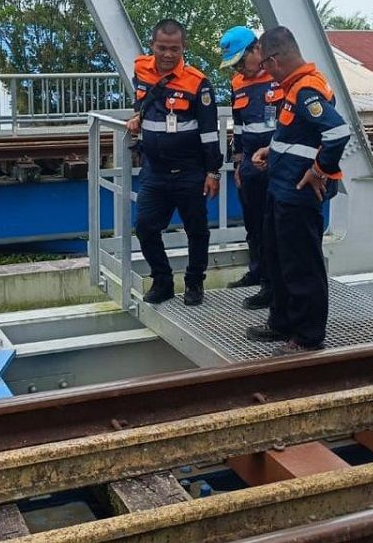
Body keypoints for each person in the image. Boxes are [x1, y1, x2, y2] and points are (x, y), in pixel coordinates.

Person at [246, 26, 350, 355]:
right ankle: (281, 321)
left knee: (301, 263)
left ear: (275, 60)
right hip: (281, 188)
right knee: (277, 258)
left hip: (297, 194)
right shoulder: (291, 90)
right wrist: (270, 149)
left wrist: (321, 170)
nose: (263, 70)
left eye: (264, 64)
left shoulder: (307, 90)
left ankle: (307, 334)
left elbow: (337, 132)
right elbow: (297, 135)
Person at [126, 19, 223, 306]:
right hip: (154, 171)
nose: (168, 54)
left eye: (175, 49)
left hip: (189, 172)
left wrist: (213, 171)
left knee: (196, 230)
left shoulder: (198, 83)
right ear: (152, 45)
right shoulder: (141, 69)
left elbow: (208, 132)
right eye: (162, 48)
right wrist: (137, 115)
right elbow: (141, 99)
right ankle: (163, 281)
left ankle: (194, 284)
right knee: (145, 227)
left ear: (184, 48)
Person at [219, 26, 282, 309]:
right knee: (254, 224)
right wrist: (238, 163)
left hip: (277, 164)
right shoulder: (238, 84)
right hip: (250, 166)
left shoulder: (279, 77)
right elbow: (239, 125)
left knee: (274, 226)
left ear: (256, 50)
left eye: (241, 62)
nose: (240, 70)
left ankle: (272, 285)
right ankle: (257, 272)